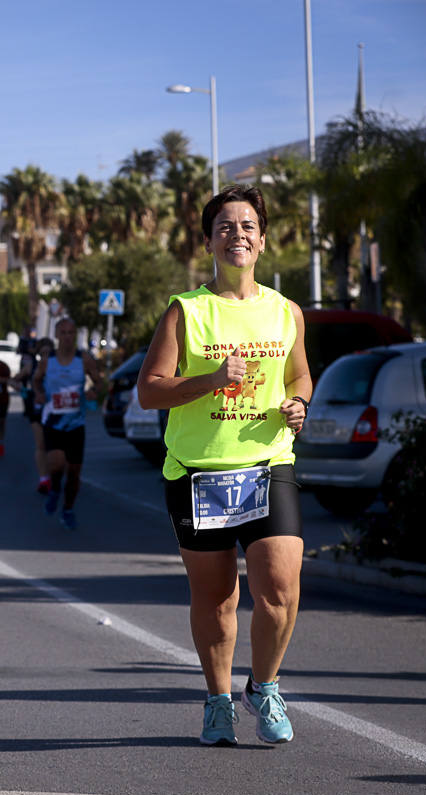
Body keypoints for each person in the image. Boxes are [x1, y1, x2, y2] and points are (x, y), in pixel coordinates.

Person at [137, 185, 310, 747]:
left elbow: (299, 376)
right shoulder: (186, 311)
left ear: (262, 240)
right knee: (217, 598)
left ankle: (263, 686)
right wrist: (211, 381)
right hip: (198, 473)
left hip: (267, 462)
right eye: (226, 227)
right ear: (210, 240)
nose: (238, 234)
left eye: (248, 226)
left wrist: (299, 403)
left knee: (280, 589)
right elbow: (149, 392)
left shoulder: (286, 312)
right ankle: (217, 701)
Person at [33, 318, 102, 529]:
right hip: (53, 421)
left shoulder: (85, 360)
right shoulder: (47, 360)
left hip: (75, 423)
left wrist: (94, 392)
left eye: (71, 333)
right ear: (56, 335)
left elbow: (99, 382)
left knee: (73, 473)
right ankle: (55, 489)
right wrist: (39, 394)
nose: (67, 337)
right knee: (56, 463)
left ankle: (68, 508)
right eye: (63, 333)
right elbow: (36, 380)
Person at [17, 336, 53, 493]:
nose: (45, 356)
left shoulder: (59, 366)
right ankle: (43, 479)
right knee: (41, 444)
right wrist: (23, 390)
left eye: (49, 353)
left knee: (54, 446)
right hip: (36, 408)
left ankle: (54, 476)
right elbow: (15, 379)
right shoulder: (32, 366)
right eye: (42, 353)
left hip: (55, 410)